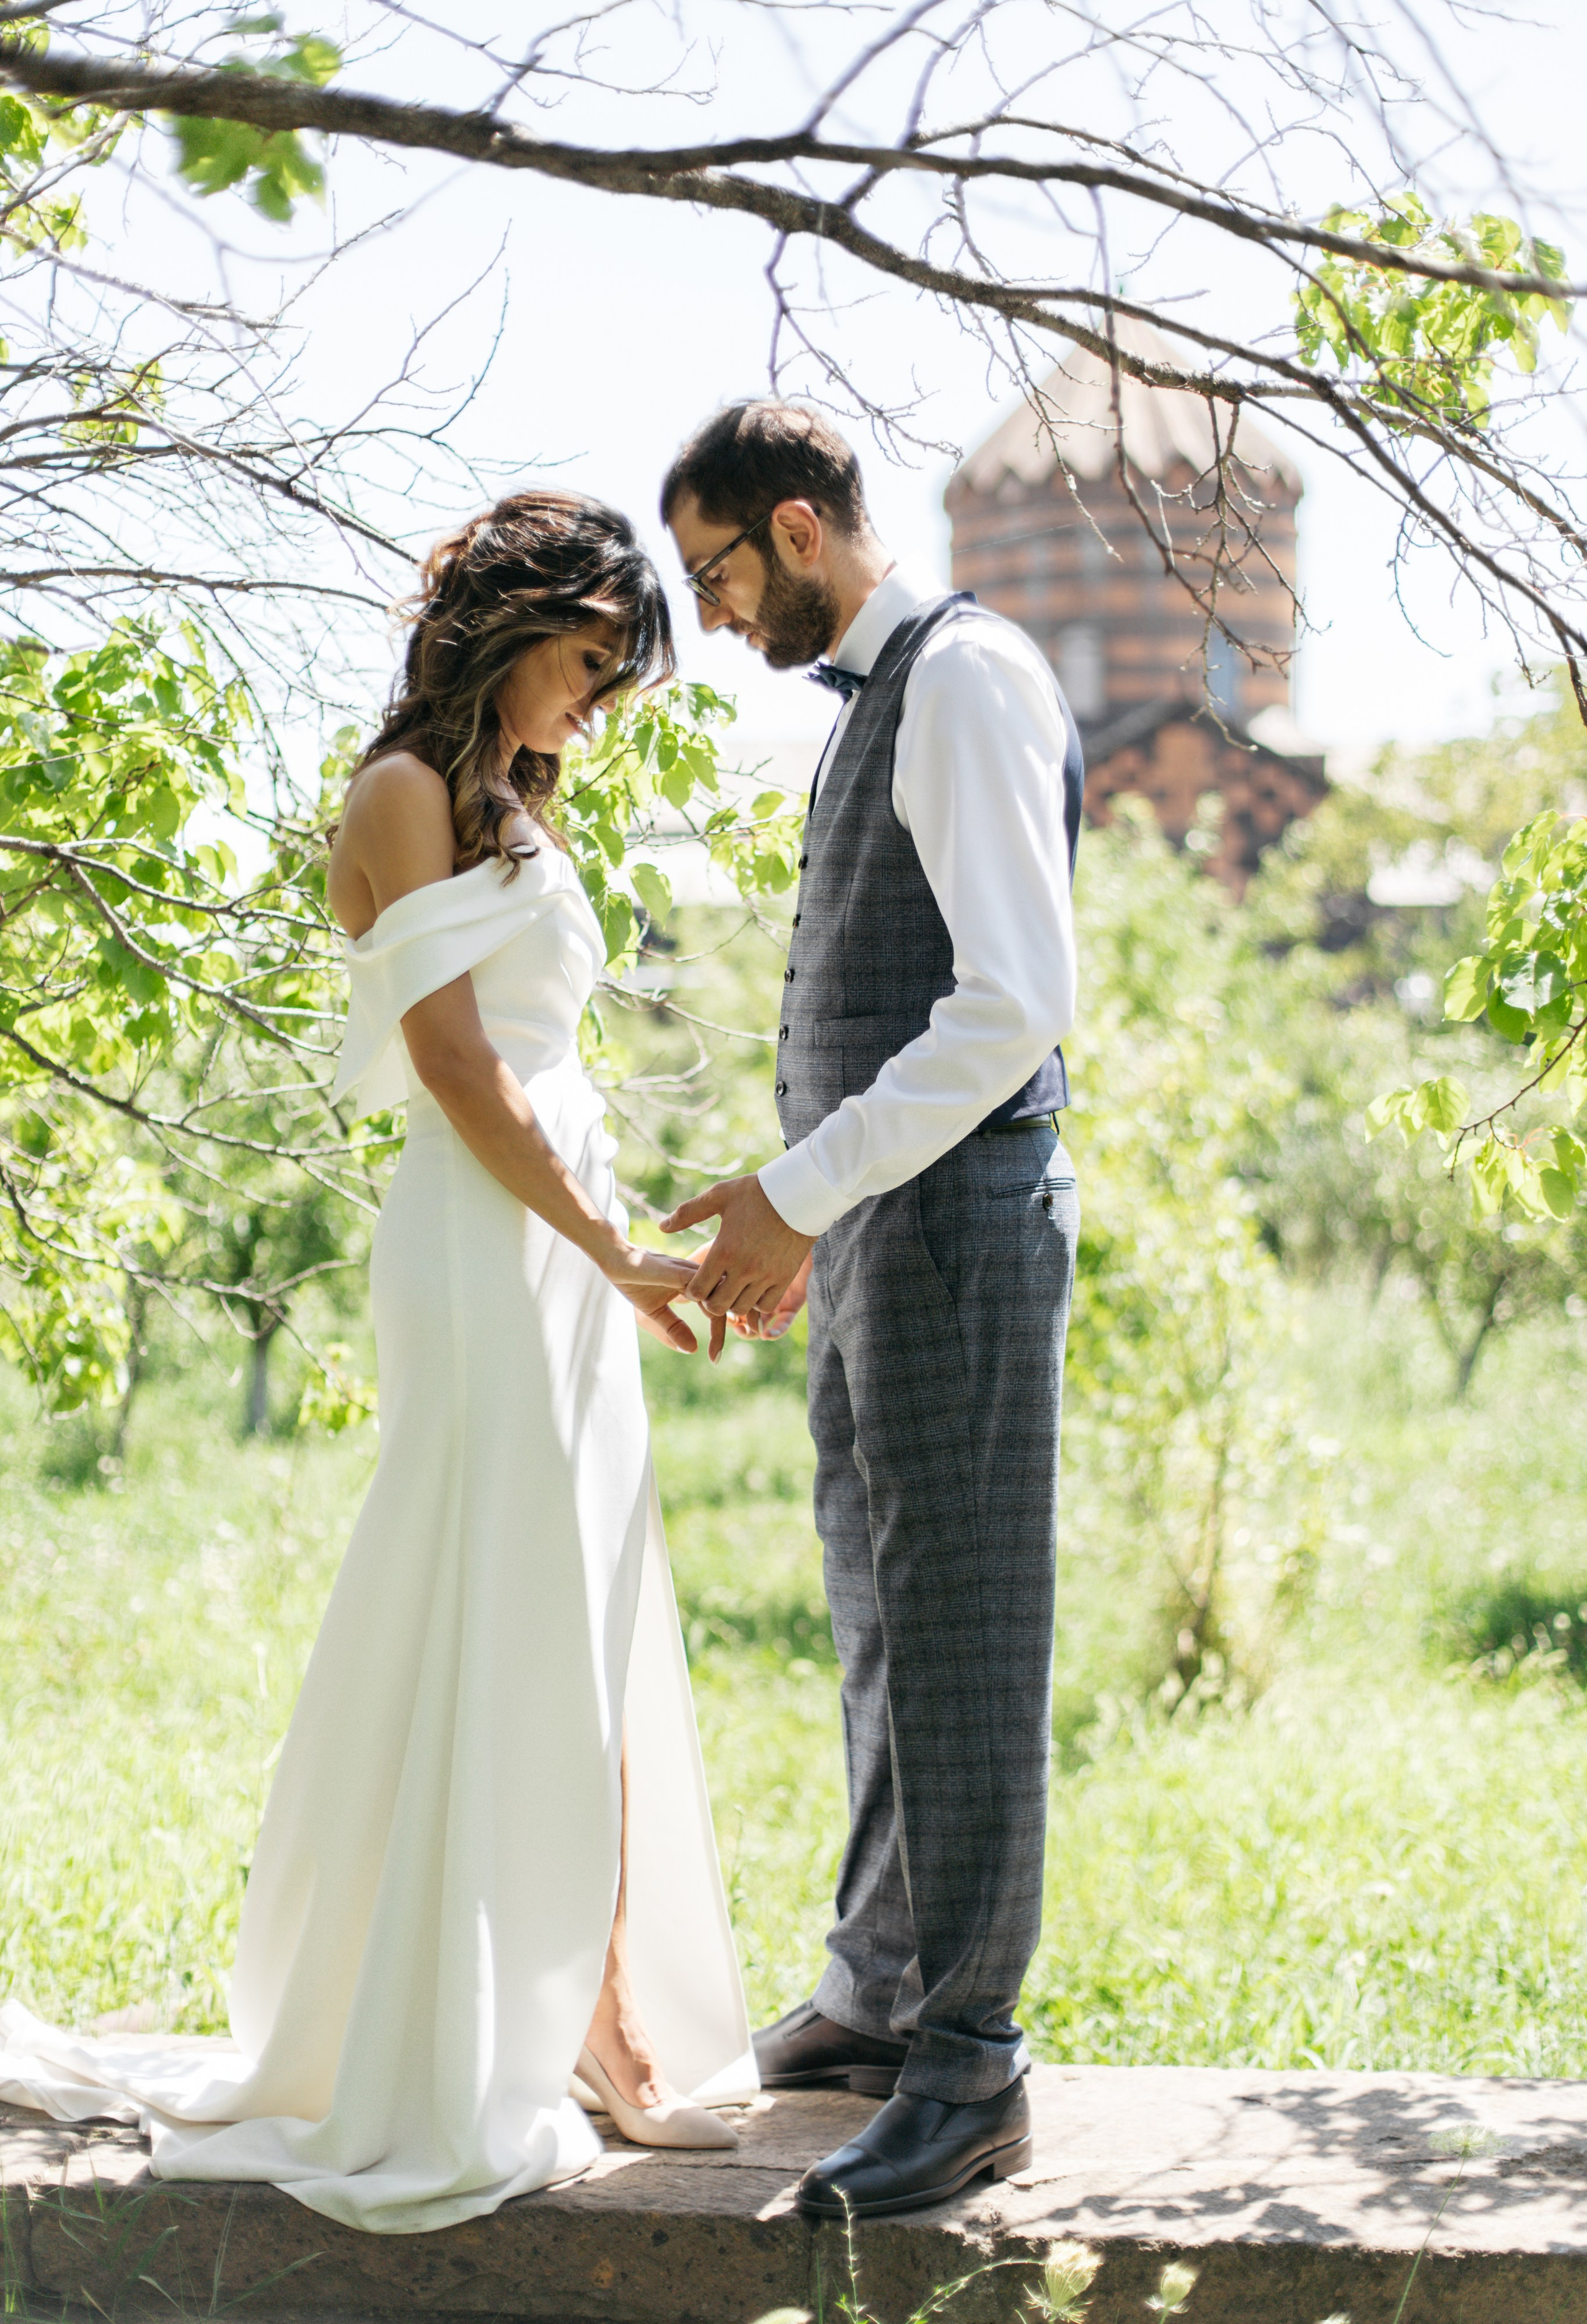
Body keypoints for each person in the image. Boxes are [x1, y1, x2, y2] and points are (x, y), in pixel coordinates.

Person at [0, 489, 755, 2232]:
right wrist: (605, 1243)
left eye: (616, 678)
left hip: (555, 1248)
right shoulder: (404, 794)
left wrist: (622, 1262)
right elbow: (458, 1067)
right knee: (502, 1605)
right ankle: (571, 2028)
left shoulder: (505, 802)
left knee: (585, 1603)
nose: (599, 703)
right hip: (488, 1249)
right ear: (513, 625)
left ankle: (597, 2012)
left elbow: (541, 1071)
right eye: (589, 663)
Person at [661, 402, 1082, 2220]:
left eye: (719, 570)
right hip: (877, 1245)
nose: (714, 608)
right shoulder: (876, 702)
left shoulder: (969, 678)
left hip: (958, 1235)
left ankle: (972, 2063)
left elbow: (1010, 1009)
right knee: (882, 1611)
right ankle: (881, 1989)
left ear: (802, 529)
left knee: (968, 1636)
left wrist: (793, 1194)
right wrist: (800, 1220)